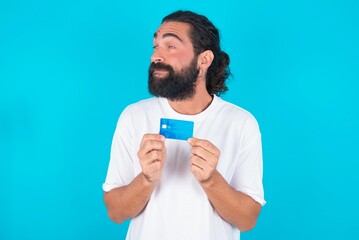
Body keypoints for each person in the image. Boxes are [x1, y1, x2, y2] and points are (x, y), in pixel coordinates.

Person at [103, 10, 265, 240]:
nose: (156, 56)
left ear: (204, 60)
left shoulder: (240, 123)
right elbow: (116, 212)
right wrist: (146, 179)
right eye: (155, 46)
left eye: (170, 46)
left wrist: (211, 180)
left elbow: (247, 220)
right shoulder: (134, 116)